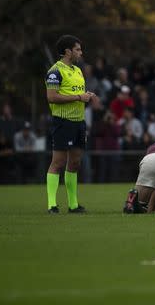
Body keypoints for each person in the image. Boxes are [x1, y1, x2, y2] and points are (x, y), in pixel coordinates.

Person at [45, 35, 99, 214]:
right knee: (58, 162)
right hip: (63, 122)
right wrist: (78, 97)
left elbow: (78, 93)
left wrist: (87, 96)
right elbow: (52, 97)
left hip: (79, 122)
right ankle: (51, 204)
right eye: (77, 49)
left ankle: (73, 204)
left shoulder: (77, 70)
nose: (81, 52)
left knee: (75, 163)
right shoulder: (55, 71)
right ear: (67, 51)